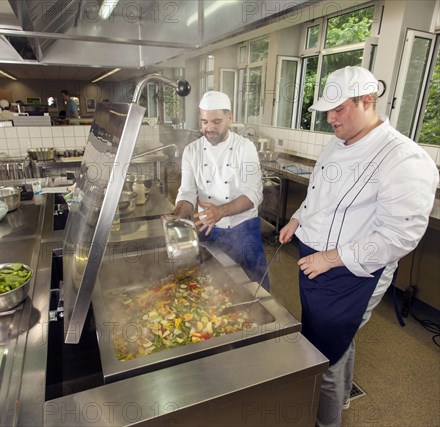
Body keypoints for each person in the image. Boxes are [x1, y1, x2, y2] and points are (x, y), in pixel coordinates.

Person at [278, 66, 438, 427]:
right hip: (315, 261)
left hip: (352, 273)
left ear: (367, 101)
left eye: (339, 110)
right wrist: (297, 219)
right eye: (328, 111)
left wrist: (331, 259)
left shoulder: (404, 158)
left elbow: (400, 236)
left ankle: (325, 421)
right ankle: (341, 399)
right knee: (330, 337)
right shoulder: (337, 142)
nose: (330, 119)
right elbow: (319, 194)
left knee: (324, 354)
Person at [173, 91, 269, 289]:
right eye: (204, 122)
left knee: (256, 290)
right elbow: (187, 192)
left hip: (243, 232)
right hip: (209, 231)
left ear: (230, 118)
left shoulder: (245, 147)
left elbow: (254, 194)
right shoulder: (192, 151)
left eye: (216, 121)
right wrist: (177, 217)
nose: (209, 128)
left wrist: (221, 211)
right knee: (213, 288)